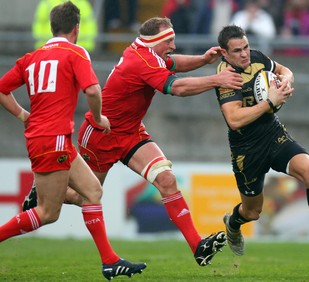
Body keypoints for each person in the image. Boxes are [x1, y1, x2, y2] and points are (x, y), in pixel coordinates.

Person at [23, 16, 243, 267]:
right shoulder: (142, 61)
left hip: (131, 132)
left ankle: (198, 246)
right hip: (101, 134)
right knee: (86, 196)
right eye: (169, 41)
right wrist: (217, 79)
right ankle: (47, 188)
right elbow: (178, 88)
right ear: (155, 41)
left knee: (166, 179)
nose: (173, 45)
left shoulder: (146, 52)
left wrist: (203, 60)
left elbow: (173, 63)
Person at [0, 2, 146, 280]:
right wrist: (99, 117)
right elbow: (92, 89)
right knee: (47, 213)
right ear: (76, 28)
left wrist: (23, 115)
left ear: (52, 27)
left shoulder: (31, 58)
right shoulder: (75, 51)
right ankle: (107, 259)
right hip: (52, 138)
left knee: (92, 191)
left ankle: (110, 261)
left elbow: (2, 88)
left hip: (51, 138)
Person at [215, 25, 309, 266]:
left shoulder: (256, 57)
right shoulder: (225, 78)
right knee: (253, 212)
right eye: (237, 51)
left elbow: (286, 69)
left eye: (245, 47)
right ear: (225, 54)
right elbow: (234, 120)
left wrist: (284, 80)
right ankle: (233, 223)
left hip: (273, 133)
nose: (244, 54)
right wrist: (269, 102)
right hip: (246, 148)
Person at [32, 0, 97, 52]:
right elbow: (39, 24)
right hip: (49, 48)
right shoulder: (47, 3)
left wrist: (86, 45)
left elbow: (89, 24)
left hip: (77, 47)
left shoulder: (81, 3)